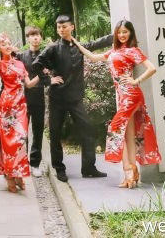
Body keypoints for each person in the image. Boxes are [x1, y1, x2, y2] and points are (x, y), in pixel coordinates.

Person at [72, 20, 161, 188]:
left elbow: (152, 68)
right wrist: (76, 42)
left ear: (131, 33)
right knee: (127, 134)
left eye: (125, 32)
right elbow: (92, 56)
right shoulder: (114, 51)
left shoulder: (133, 50)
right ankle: (132, 175)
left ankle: (129, 169)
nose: (121, 35)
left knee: (115, 129)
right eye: (119, 32)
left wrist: (136, 80)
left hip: (131, 95)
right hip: (122, 96)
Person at [32, 15, 112, 182]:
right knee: (55, 134)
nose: (61, 29)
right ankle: (59, 169)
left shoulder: (79, 46)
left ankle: (89, 168)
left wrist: (116, 35)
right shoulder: (53, 48)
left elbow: (97, 43)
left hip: (76, 98)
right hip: (57, 98)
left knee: (89, 130)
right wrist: (48, 80)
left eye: (64, 27)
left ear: (72, 27)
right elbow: (37, 64)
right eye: (59, 27)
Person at [0, 33, 40, 192]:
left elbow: (29, 84)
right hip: (6, 106)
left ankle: (18, 174)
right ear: (0, 48)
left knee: (20, 140)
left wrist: (42, 74)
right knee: (7, 142)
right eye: (3, 44)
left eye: (9, 43)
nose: (7, 46)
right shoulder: (0, 64)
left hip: (21, 106)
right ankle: (10, 177)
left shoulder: (19, 64)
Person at [16, 26, 52, 177]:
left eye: (37, 35)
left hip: (38, 98)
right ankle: (21, 162)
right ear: (28, 38)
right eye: (32, 35)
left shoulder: (46, 57)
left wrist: (45, 76)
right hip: (22, 99)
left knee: (37, 132)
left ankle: (35, 163)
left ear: (41, 38)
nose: (35, 38)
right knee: (22, 132)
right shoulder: (21, 56)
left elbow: (49, 77)